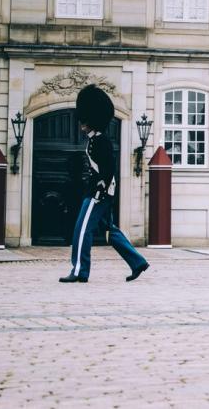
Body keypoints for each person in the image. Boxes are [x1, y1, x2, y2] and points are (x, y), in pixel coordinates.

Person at [59, 85, 149, 283]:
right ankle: (138, 262)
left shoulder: (102, 141)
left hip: (98, 194)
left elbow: (109, 169)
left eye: (85, 121)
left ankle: (79, 270)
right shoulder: (94, 139)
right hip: (99, 191)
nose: (82, 125)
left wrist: (100, 190)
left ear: (92, 120)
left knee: (82, 229)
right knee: (110, 232)